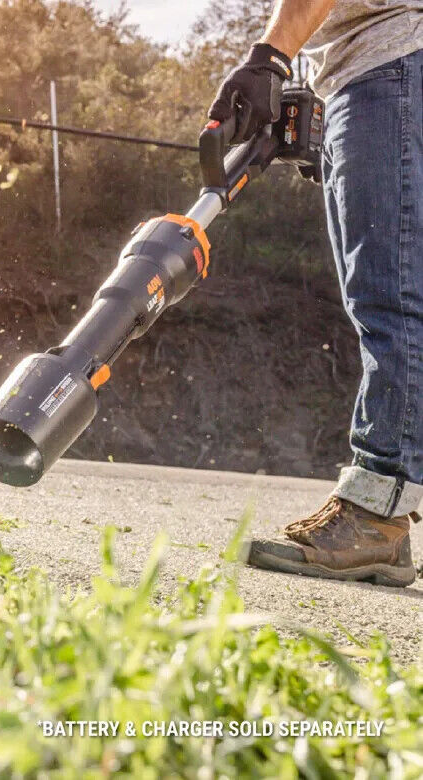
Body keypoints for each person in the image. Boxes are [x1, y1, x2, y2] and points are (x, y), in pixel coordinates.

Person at [207, 1, 422, 586]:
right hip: (375, 73)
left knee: (389, 295)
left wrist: (271, 56)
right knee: (392, 288)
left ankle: (377, 513)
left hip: (390, 62)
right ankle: (383, 512)